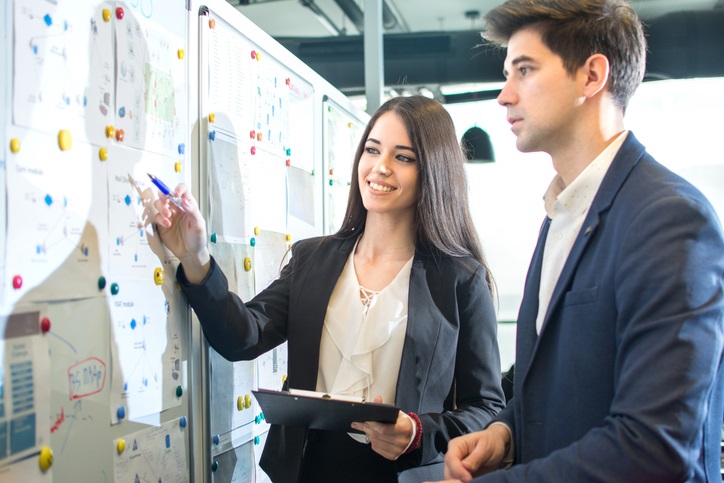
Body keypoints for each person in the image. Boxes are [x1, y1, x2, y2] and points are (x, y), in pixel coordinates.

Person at [432, 1, 724, 482]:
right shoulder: (562, 214)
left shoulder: (669, 219)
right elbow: (561, 384)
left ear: (592, 76)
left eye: (524, 70)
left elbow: (654, 447)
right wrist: (505, 434)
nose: (504, 95)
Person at [153, 95, 506, 482]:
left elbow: (486, 407)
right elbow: (242, 336)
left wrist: (419, 434)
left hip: (402, 474)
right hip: (307, 471)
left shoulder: (460, 280)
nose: (380, 167)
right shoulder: (313, 259)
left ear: (432, 171)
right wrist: (196, 258)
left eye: (403, 157)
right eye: (372, 150)